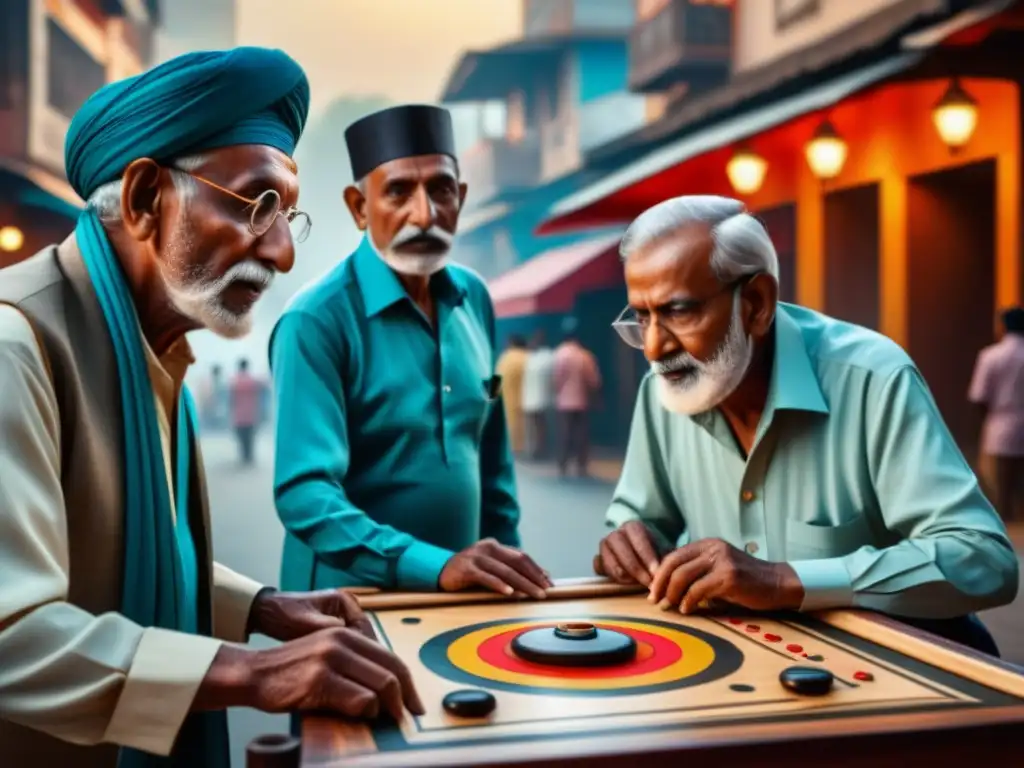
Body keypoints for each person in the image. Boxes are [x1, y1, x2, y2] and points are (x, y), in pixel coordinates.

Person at [0, 49, 422, 768]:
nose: (283, 252)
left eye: (289, 216)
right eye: (257, 205)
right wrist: (252, 672)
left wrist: (257, 608)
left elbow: (132, 547)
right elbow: (13, 638)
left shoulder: (150, 346)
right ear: (142, 199)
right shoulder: (17, 346)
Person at [594, 195, 1018, 654]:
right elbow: (642, 522)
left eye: (678, 312)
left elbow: (984, 560)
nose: (654, 347)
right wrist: (630, 544)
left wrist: (782, 580)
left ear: (756, 303)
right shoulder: (660, 390)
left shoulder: (872, 378)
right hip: (747, 676)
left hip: (898, 677)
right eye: (641, 316)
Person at [269, 104, 551, 600]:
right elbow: (305, 496)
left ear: (460, 199)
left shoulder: (475, 299)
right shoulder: (315, 321)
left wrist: (510, 583)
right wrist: (434, 565)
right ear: (358, 206)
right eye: (398, 191)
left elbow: (494, 472)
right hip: (346, 611)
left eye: (441, 190)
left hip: (466, 602)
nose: (424, 214)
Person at [969, 306, 1024, 521]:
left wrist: (978, 429)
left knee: (1000, 483)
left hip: (999, 423)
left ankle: (1006, 522)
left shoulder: (991, 356)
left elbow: (979, 396)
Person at [553, 322, 601, 477]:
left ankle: (563, 463)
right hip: (582, 400)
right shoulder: (585, 355)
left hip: (564, 401)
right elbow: (593, 380)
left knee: (565, 432)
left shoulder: (559, 354)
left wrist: (557, 392)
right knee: (582, 433)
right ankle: (581, 465)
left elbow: (556, 378)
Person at [522, 329, 556, 459]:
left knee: (540, 427)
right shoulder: (531, 358)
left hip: (542, 400)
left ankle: (541, 450)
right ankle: (536, 450)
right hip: (533, 400)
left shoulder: (547, 356)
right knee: (536, 427)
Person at [496, 335, 529, 454]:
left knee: (511, 428)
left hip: (507, 402)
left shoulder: (505, 358)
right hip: (527, 402)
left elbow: (497, 379)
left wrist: (491, 398)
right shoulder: (528, 358)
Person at [229, 357, 264, 465]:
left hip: (239, 416)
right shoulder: (254, 381)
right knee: (250, 438)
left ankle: (244, 456)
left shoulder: (234, 382)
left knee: (242, 438)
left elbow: (231, 400)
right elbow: (260, 396)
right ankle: (249, 456)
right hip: (251, 415)